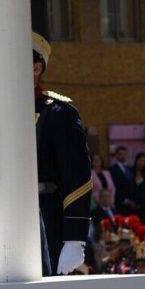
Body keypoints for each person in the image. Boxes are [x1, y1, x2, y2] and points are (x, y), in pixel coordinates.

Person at [31, 32, 92, 274]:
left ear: (36, 69)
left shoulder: (58, 112)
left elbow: (76, 176)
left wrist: (74, 238)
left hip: (46, 217)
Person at [109, 146, 136, 213]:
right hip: (120, 202)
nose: (123, 156)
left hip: (132, 203)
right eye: (120, 154)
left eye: (124, 154)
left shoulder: (131, 169)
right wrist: (125, 200)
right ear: (116, 155)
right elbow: (114, 186)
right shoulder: (112, 169)